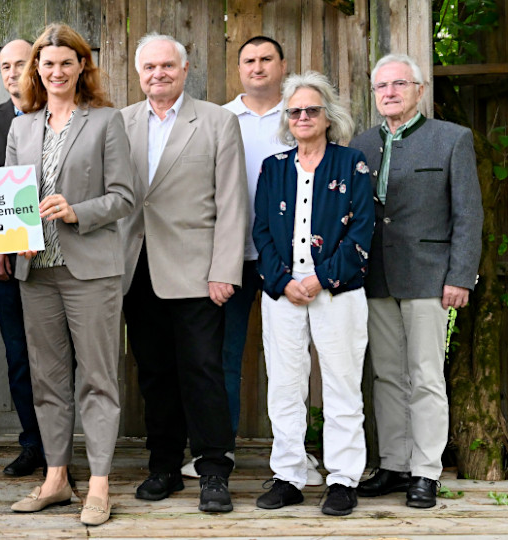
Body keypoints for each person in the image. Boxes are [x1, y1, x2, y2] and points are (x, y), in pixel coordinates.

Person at [6, 23, 134, 526]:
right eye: (47, 63)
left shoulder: (106, 121)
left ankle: (99, 485)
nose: (56, 71)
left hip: (92, 272)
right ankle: (56, 479)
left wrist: (77, 210)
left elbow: (124, 197)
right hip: (35, 271)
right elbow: (5, 202)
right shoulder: (22, 126)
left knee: (99, 380)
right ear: (35, 68)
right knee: (48, 381)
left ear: (82, 66)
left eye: (66, 62)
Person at [181, 35, 323, 487]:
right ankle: (218, 449)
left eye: (266, 59)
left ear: (283, 65)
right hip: (235, 255)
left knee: (298, 357)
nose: (257, 67)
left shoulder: (301, 114)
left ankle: (301, 454)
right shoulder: (221, 118)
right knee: (224, 355)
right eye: (249, 60)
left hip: (295, 260)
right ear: (239, 68)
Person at [120, 33, 247, 514]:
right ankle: (164, 468)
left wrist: (224, 270)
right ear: (139, 74)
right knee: (154, 375)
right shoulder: (120, 122)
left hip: (198, 273)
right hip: (135, 270)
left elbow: (233, 202)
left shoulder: (217, 121)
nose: (158, 74)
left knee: (202, 371)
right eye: (149, 67)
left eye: (167, 66)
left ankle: (214, 471)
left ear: (185, 67)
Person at [350, 54, 482, 509]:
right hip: (376, 277)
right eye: (381, 86)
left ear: (419, 90)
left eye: (399, 84)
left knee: (425, 375)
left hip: (430, 276)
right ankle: (393, 463)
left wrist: (461, 276)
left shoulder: (452, 139)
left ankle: (426, 471)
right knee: (386, 374)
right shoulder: (361, 144)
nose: (389, 93)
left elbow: (468, 214)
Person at [252, 71, 374, 516]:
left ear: (327, 116)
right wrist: (283, 281)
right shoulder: (274, 167)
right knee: (284, 386)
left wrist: (320, 279)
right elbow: (261, 231)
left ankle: (342, 479)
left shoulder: (352, 164)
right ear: (287, 118)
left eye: (312, 110)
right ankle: (289, 474)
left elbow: (361, 232)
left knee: (342, 385)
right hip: (283, 292)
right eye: (295, 111)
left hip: (336, 291)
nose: (303, 117)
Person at [0, 39, 47, 477]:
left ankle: (62, 449)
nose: (13, 71)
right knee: (19, 357)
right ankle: (32, 443)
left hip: (58, 258)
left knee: (59, 360)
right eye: (5, 65)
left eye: (21, 63)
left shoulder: (58, 115)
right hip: (7, 265)